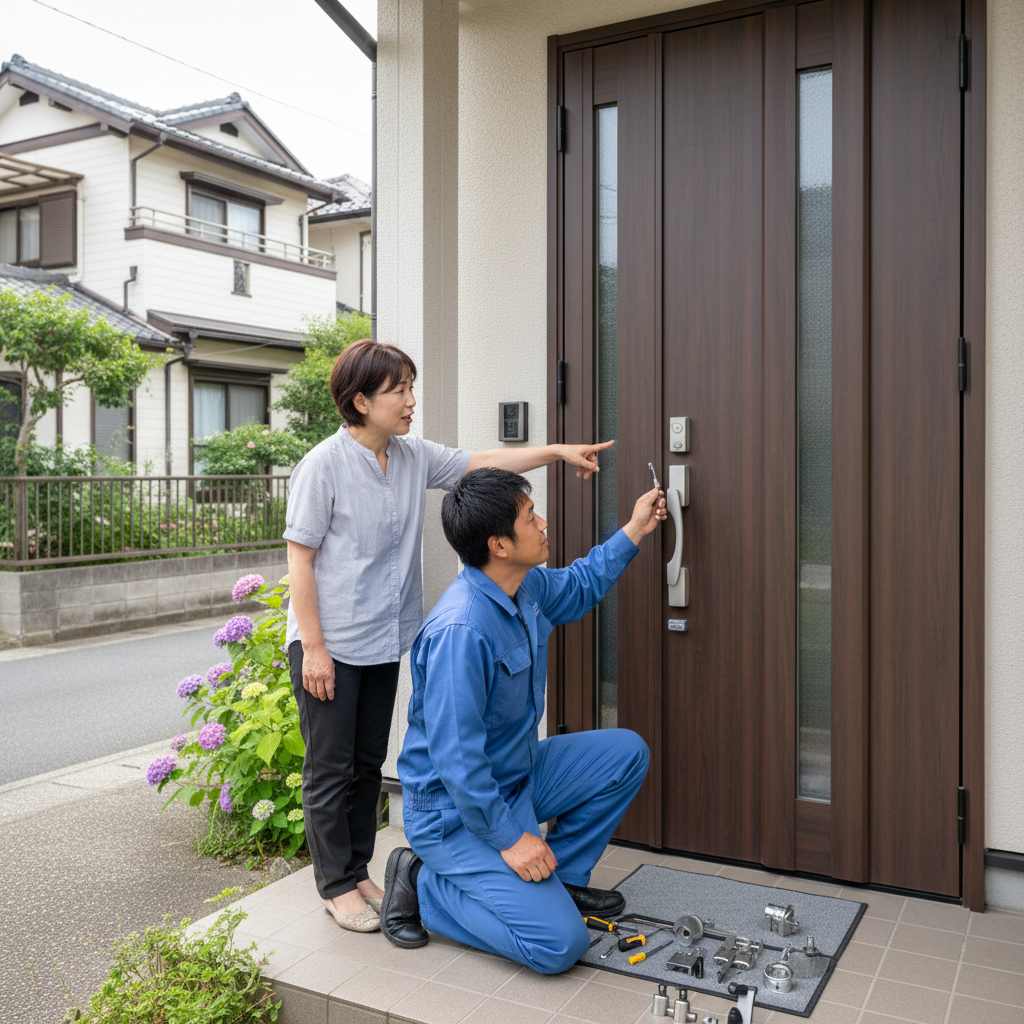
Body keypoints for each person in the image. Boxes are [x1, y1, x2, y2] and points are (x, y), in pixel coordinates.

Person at [284, 339, 613, 933]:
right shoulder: (322, 466)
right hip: (328, 644)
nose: (411, 401)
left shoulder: (409, 457)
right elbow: (300, 560)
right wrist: (312, 647)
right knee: (330, 767)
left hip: (384, 638)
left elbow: (481, 462)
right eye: (398, 391)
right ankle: (337, 885)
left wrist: (557, 452)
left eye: (411, 388)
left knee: (365, 761)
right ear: (360, 400)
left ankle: (359, 871)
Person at [381, 468, 666, 973]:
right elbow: (458, 761)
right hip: (453, 812)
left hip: (518, 775)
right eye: (531, 517)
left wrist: (636, 528)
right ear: (500, 545)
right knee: (558, 947)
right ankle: (422, 884)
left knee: (625, 753)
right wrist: (511, 840)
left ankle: (566, 881)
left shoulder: (524, 585)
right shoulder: (461, 630)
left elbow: (580, 585)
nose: (544, 524)